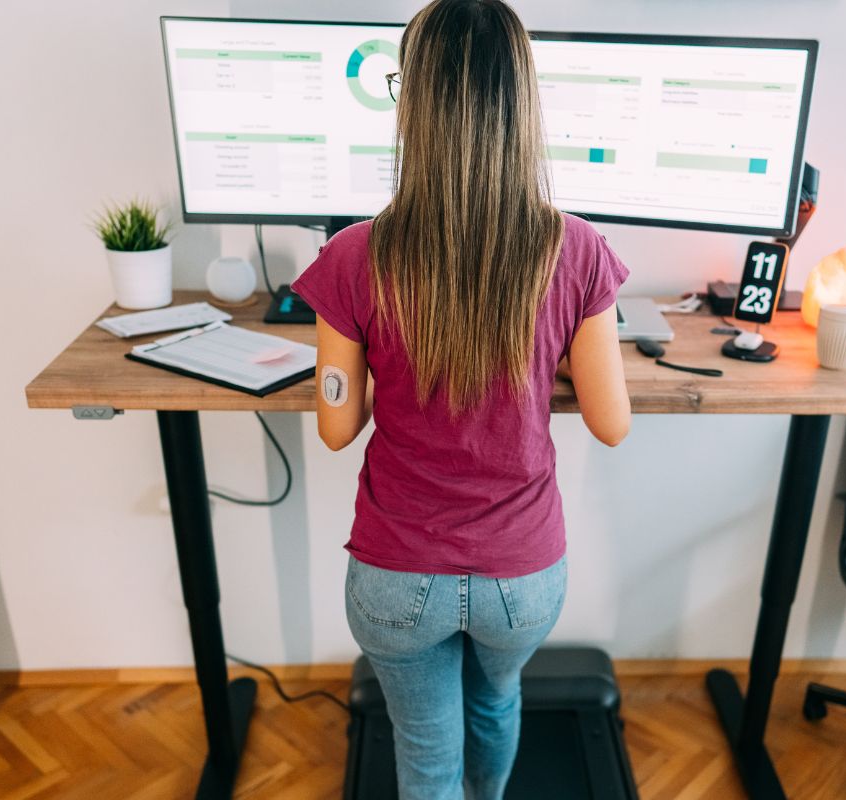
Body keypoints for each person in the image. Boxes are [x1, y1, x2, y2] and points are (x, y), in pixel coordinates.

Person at [291, 1, 631, 797]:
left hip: (395, 577)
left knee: (424, 749)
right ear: (523, 101)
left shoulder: (351, 256)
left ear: (412, 104)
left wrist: (386, 358)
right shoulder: (577, 251)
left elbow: (338, 427)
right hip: (523, 577)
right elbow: (610, 422)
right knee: (497, 701)